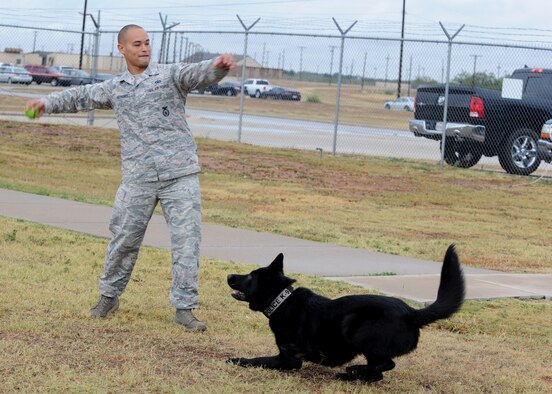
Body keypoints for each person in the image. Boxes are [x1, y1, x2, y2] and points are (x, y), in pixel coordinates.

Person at [25, 24, 236, 331]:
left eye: (148, 43)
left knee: (187, 243)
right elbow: (81, 95)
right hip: (138, 178)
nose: (145, 48)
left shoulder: (169, 76)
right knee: (123, 240)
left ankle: (184, 307)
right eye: (137, 44)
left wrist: (217, 67)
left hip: (180, 175)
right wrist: (46, 103)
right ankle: (108, 297)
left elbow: (197, 74)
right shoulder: (116, 88)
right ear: (122, 49)